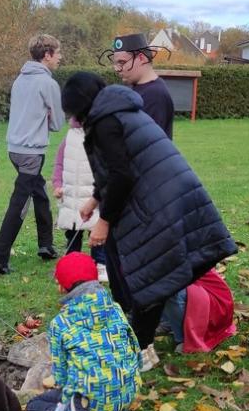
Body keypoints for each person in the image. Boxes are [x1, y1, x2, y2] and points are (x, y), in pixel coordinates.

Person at [60, 72, 237, 373]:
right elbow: (115, 168)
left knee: (146, 275)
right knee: (148, 274)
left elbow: (121, 175)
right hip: (165, 197)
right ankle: (141, 338)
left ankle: (141, 349)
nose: (73, 119)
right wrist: (95, 199)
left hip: (157, 203)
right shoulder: (117, 109)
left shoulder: (104, 122)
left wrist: (104, 221)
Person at [26, 252, 140, 411]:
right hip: (124, 400)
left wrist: (64, 389)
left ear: (62, 287)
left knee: (33, 406)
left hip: (91, 406)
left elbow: (61, 374)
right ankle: (77, 408)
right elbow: (135, 347)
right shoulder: (116, 309)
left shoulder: (60, 323)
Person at [0, 35, 64, 275]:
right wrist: (48, 118)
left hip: (14, 150)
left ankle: (46, 245)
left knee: (39, 194)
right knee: (20, 203)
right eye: (58, 53)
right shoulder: (48, 84)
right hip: (32, 152)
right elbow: (58, 124)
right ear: (47, 55)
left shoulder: (20, 79)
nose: (60, 58)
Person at [51, 118, 106, 278]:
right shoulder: (68, 138)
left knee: (95, 231)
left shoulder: (99, 136)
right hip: (71, 197)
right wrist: (57, 184)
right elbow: (59, 164)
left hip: (92, 194)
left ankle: (100, 264)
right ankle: (71, 266)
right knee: (72, 233)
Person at [101, 33, 175, 138]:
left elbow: (147, 141)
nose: (117, 69)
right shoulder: (136, 89)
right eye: (116, 63)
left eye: (122, 62)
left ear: (141, 58)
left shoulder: (154, 95)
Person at [159, 269, 236, 353]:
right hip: (187, 281)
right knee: (157, 284)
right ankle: (167, 323)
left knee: (169, 289)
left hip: (210, 293)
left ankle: (183, 340)